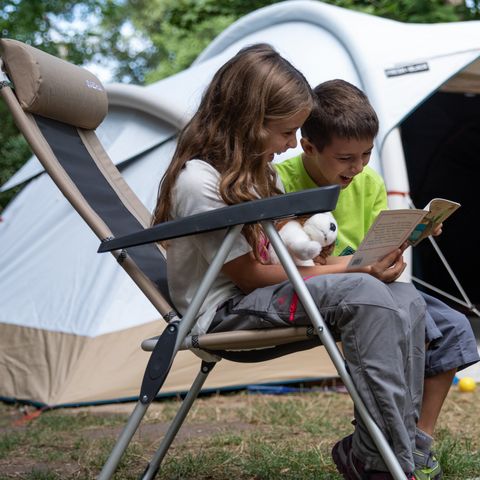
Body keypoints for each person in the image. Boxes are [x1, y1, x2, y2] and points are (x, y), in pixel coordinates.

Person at [153, 43, 427, 479]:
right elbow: (250, 277)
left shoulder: (265, 174)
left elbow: (289, 258)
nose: (287, 147)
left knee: (402, 293)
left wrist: (360, 263)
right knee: (369, 294)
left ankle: (394, 451)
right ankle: (382, 464)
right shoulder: (200, 181)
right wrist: (356, 270)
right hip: (224, 311)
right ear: (248, 121)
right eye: (285, 133)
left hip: (269, 293)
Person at [274, 78, 480, 480]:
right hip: (328, 288)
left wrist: (411, 235)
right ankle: (381, 445)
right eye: (346, 158)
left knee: (454, 328)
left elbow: (376, 241)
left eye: (366, 154)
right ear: (308, 147)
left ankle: (418, 443)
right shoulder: (281, 181)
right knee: (407, 324)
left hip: (373, 280)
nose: (358, 167)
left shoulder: (368, 182)